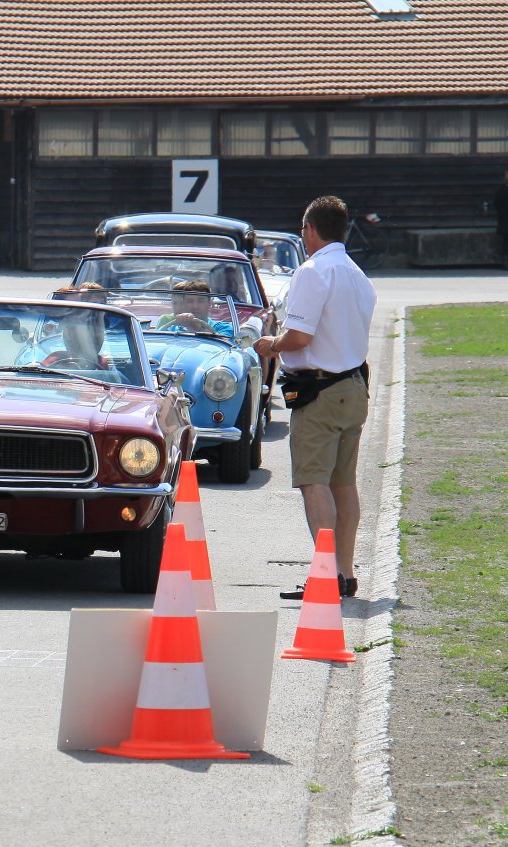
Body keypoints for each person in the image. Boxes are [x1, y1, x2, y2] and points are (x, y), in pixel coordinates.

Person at [254, 195, 376, 600]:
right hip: (353, 384)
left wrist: (272, 344)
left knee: (314, 481)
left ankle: (327, 574)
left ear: (309, 230)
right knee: (344, 483)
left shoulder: (313, 270)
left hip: (321, 389)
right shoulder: (357, 273)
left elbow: (300, 337)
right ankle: (345, 572)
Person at [153, 280, 234, 337]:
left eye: (201, 301)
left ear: (209, 303)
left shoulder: (223, 328)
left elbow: (225, 345)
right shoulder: (171, 329)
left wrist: (196, 327)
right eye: (190, 301)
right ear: (184, 304)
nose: (195, 306)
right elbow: (156, 340)